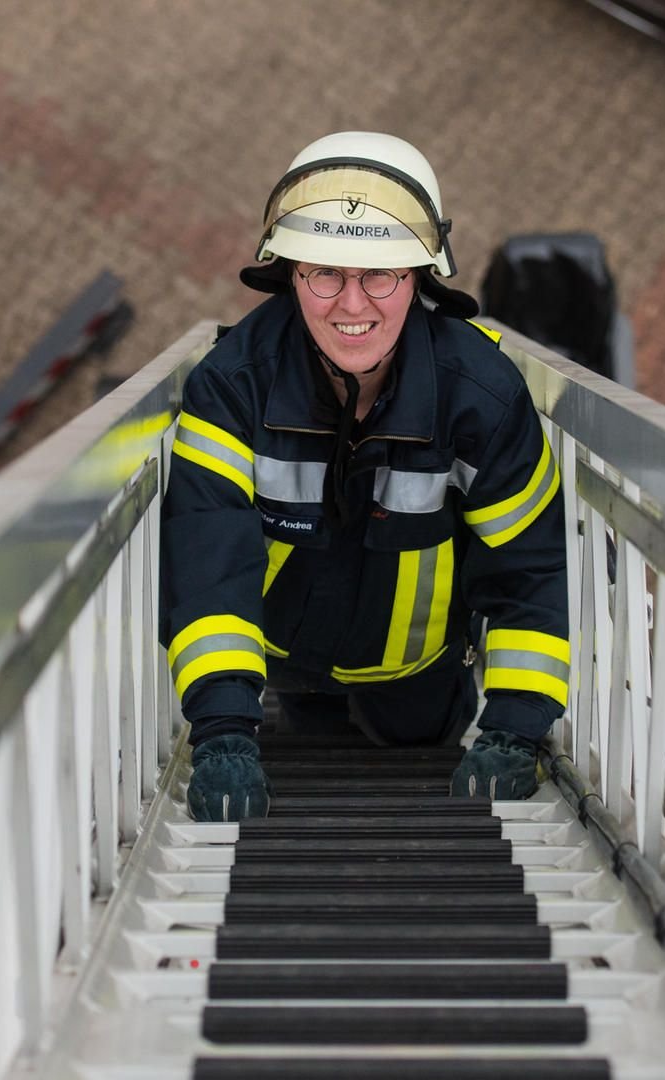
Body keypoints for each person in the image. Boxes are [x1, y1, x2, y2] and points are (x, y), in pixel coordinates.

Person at [158, 132, 570, 820]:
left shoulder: (483, 399)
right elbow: (208, 564)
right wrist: (225, 734)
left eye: (380, 275)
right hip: (282, 663)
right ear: (289, 275)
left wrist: (514, 727)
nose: (353, 305)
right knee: (303, 742)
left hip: (418, 680)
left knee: (417, 740)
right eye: (325, 273)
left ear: (420, 278)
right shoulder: (232, 389)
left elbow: (528, 568)